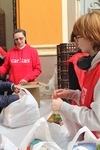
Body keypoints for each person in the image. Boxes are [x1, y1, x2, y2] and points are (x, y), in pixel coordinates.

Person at [51, 10, 100, 138]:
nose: (76, 41)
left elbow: (97, 120)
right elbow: (92, 98)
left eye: (78, 37)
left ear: (90, 38)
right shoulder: (93, 64)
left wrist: (63, 107)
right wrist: (73, 94)